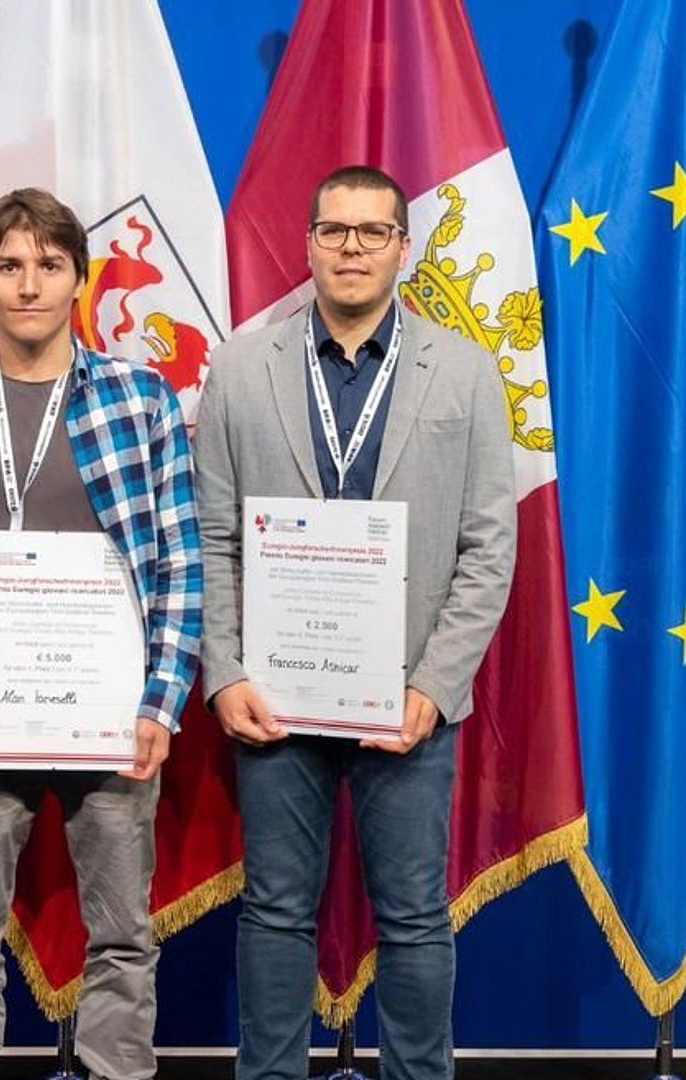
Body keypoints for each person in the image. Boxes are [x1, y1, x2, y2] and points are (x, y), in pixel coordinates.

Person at [192, 165, 517, 1080]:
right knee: (276, 909)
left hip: (407, 698)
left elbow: (489, 549)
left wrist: (434, 685)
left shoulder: (464, 370)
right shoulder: (241, 369)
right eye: (334, 231)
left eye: (373, 233)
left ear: (403, 249)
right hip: (274, 696)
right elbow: (214, 536)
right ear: (308, 243)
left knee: (414, 914)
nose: (351, 250)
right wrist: (225, 673)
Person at [0, 187, 201, 1080]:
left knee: (124, 942)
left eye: (49, 266)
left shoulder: (142, 401)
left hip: (113, 723)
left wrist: (160, 703)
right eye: (9, 266)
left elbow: (180, 562)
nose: (29, 285)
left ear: (80, 280)